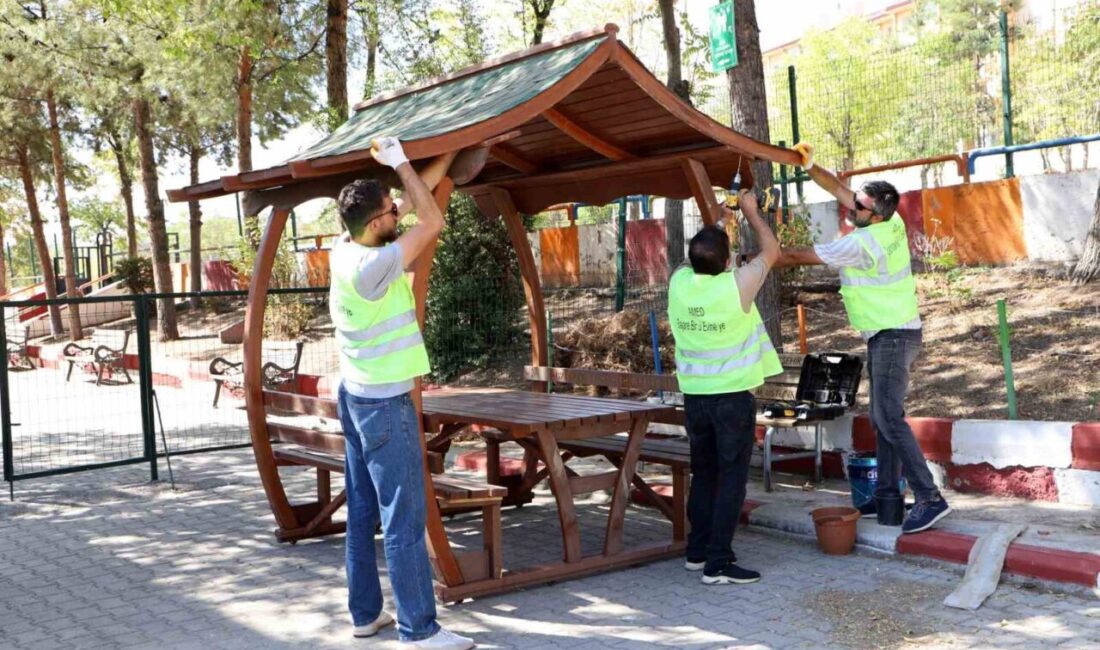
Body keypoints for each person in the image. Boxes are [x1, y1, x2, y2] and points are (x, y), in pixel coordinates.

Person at [330, 136, 474, 649]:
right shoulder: (375, 268)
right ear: (377, 225)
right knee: (404, 519)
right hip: (385, 404)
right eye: (392, 211)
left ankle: (366, 615)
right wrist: (399, 162)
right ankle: (420, 630)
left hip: (353, 395)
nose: (400, 211)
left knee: (364, 511)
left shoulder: (345, 247)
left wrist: (447, 156)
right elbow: (432, 221)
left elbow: (415, 200)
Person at [773, 142, 951, 534]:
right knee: (881, 417)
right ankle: (887, 497)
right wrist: (809, 165)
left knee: (888, 416)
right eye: (856, 203)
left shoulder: (862, 244)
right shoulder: (890, 221)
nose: (851, 209)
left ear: (876, 213)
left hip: (893, 335)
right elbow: (838, 188)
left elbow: (795, 257)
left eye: (858, 208)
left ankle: (930, 498)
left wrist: (762, 251)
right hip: (891, 334)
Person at [667, 188, 782, 585]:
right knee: (731, 477)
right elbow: (772, 251)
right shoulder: (738, 285)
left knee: (705, 473)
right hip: (731, 398)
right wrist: (749, 211)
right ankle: (719, 562)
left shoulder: (679, 283)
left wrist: (721, 220)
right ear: (730, 261)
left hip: (695, 398)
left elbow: (700, 252)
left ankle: (697, 552)